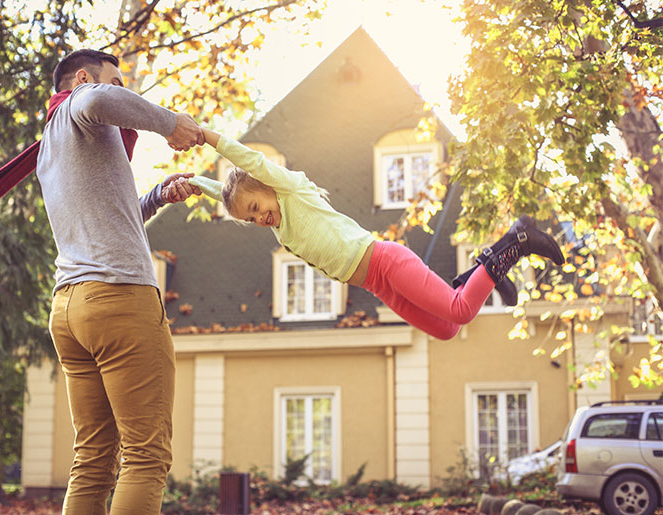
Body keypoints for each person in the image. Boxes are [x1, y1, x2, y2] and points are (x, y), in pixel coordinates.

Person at [189, 128, 565, 340]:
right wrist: (195, 184)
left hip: (386, 261)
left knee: (461, 311)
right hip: (377, 284)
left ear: (267, 185)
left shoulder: (291, 190)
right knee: (447, 329)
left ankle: (518, 240)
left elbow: (249, 162)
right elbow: (230, 195)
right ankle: (479, 275)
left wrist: (206, 137)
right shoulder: (280, 231)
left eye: (256, 208)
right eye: (251, 221)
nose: (259, 219)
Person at [36, 49, 203, 515]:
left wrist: (157, 195)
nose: (122, 93)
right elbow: (97, 100)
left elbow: (114, 216)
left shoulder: (52, 145)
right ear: (84, 78)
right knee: (146, 456)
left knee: (92, 461)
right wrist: (171, 123)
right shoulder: (81, 104)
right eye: (116, 82)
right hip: (119, 300)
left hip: (70, 309)